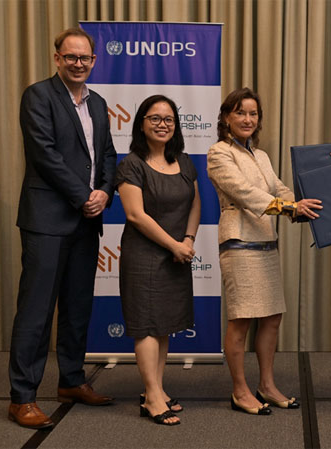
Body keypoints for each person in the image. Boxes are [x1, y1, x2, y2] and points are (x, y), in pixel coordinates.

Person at [8, 27, 117, 429]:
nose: (77, 63)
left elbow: (107, 153)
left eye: (84, 58)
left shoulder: (100, 102)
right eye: (70, 57)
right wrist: (84, 196)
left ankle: (71, 381)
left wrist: (105, 192)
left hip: (87, 222)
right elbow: (44, 154)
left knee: (77, 308)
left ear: (93, 61)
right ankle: (22, 398)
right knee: (36, 312)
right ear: (57, 59)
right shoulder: (38, 95)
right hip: (47, 220)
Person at [207, 88, 321, 415]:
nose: (247, 119)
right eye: (240, 112)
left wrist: (303, 206)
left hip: (266, 245)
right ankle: (240, 390)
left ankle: (266, 385)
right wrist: (289, 207)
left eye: (253, 113)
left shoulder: (262, 155)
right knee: (241, 320)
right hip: (239, 244)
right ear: (227, 117)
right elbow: (243, 193)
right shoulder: (219, 153)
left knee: (272, 317)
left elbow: (279, 188)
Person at [115, 95, 201, 426]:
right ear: (141, 123)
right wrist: (173, 246)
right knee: (147, 325)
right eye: (155, 118)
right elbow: (136, 215)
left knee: (164, 325)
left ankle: (157, 388)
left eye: (168, 119)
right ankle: (151, 396)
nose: (162, 124)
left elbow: (195, 203)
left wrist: (189, 240)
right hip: (145, 256)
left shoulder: (185, 160)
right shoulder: (131, 164)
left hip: (177, 253)